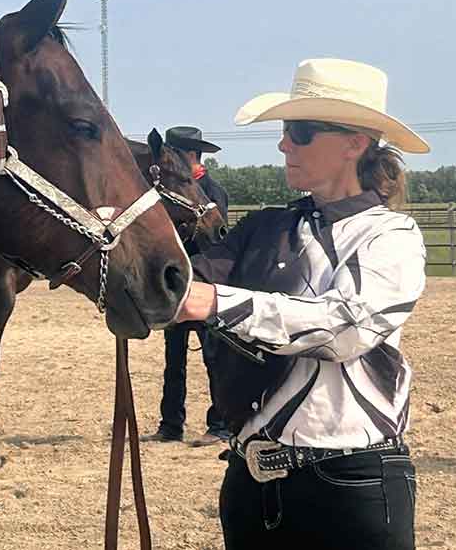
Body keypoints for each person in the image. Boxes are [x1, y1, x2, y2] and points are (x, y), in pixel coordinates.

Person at [175, 59, 430, 549]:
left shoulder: (391, 235)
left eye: (301, 132)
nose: (284, 143)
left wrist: (219, 303)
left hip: (353, 485)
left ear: (354, 143)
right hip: (251, 487)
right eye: (287, 131)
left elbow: (347, 329)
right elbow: (176, 286)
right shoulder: (264, 228)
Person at [143, 126, 232, 447]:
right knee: (173, 360)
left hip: (207, 284)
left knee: (214, 359)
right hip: (178, 285)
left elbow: (217, 243)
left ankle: (220, 425)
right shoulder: (168, 190)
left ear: (190, 156)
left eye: (175, 155)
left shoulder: (211, 191)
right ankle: (171, 425)